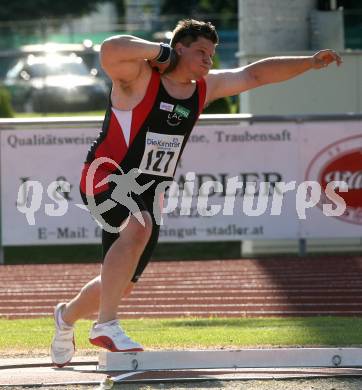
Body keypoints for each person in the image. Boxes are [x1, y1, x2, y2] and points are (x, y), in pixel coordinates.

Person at [50, 19, 342, 367]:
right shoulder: (141, 79)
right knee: (138, 227)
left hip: (148, 190)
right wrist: (159, 53)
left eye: (212, 54)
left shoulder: (204, 87)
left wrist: (308, 62)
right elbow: (110, 49)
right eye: (201, 52)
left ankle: (66, 317)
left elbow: (254, 75)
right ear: (180, 49)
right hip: (106, 174)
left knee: (122, 283)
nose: (209, 61)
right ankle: (106, 324)